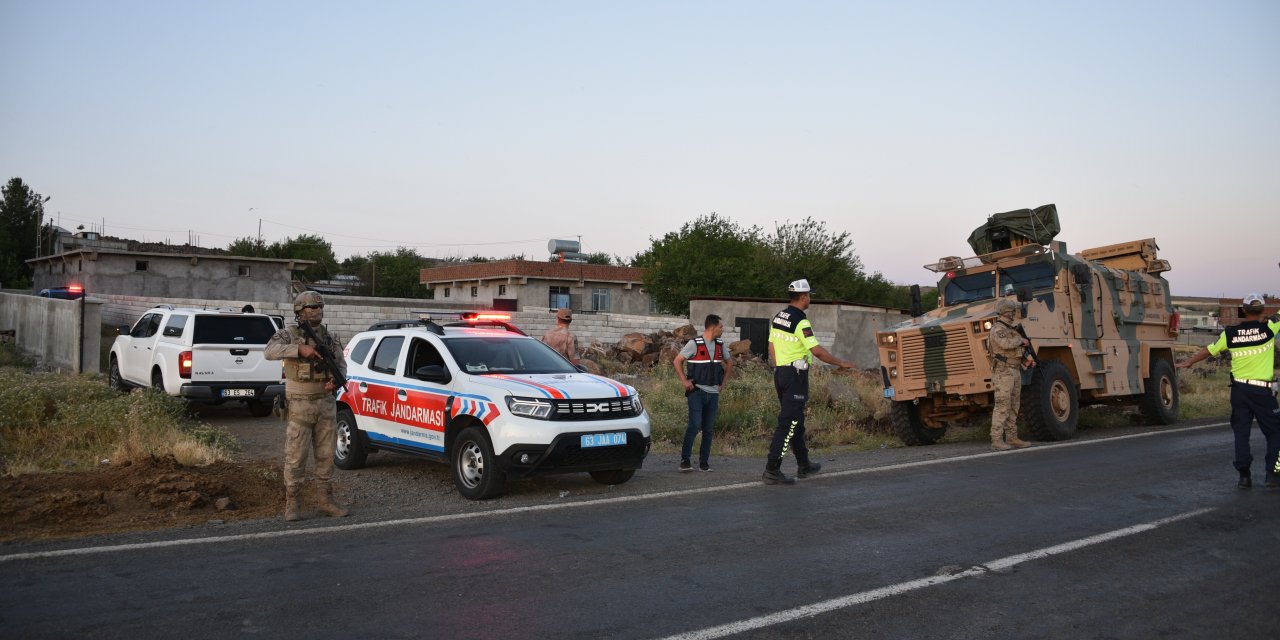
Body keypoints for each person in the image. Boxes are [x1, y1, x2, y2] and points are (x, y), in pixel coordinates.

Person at [1177, 293, 1280, 489]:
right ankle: (1273, 475)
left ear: (1243, 310)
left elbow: (1209, 349)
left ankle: (1244, 477)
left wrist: (1190, 361)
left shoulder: (1230, 334)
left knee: (1241, 433)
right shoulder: (1270, 328)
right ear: (1263, 311)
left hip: (1239, 390)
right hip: (1262, 392)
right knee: (1275, 433)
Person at [264, 291, 349, 521]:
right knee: (296, 457)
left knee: (326, 456)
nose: (318, 311)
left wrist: (336, 380)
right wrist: (299, 350)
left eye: (320, 307)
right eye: (312, 308)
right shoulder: (288, 335)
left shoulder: (330, 338)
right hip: (300, 404)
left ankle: (325, 500)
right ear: (300, 311)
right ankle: (292, 503)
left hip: (325, 404)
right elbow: (269, 351)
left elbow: (341, 365)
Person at [763, 279, 858, 485]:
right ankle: (772, 469)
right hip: (795, 375)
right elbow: (816, 351)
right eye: (809, 296)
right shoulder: (800, 321)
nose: (810, 299)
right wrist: (840, 362)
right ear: (803, 297)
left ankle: (804, 464)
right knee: (788, 423)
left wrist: (780, 367)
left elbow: (770, 345)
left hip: (781, 373)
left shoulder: (780, 317)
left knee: (796, 420)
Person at [673, 314, 734, 472]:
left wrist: (723, 384)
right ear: (713, 327)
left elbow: (730, 363)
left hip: (713, 394)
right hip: (697, 392)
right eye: (721, 327)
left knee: (708, 429)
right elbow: (677, 361)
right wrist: (684, 381)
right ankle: (685, 461)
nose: (723, 329)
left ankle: (704, 463)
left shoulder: (720, 345)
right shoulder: (694, 344)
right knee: (694, 425)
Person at [988, 298, 1034, 451]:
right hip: (1003, 372)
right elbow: (1005, 344)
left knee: (1014, 406)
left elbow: (1015, 351)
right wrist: (1021, 341)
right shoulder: (998, 329)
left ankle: (1012, 437)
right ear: (1007, 312)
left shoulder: (1011, 330)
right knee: (1002, 405)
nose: (1013, 314)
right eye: (1012, 312)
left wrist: (1026, 359)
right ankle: (996, 439)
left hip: (1014, 370)